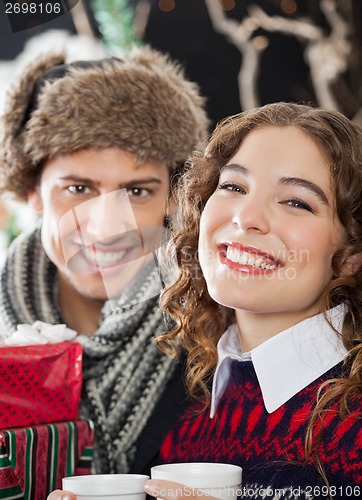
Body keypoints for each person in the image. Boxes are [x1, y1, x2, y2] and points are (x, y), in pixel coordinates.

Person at [0, 46, 209, 478]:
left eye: (136, 192)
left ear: (173, 197)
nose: (106, 227)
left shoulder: (215, 340)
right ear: (33, 189)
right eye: (78, 189)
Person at [141, 102, 361, 499]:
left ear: (349, 255)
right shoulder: (180, 424)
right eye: (234, 187)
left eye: (296, 201)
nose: (246, 216)